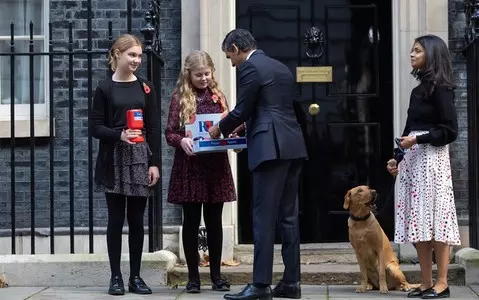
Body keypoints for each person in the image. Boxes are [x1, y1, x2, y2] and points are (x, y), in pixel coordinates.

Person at [209, 29, 308, 300]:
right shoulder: (280, 67)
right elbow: (271, 108)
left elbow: (243, 109)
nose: (231, 62)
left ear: (239, 47)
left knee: (263, 218)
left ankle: (261, 285)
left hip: (269, 149)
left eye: (230, 56)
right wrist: (245, 127)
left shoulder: (250, 67)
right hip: (293, 145)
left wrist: (221, 128)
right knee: (288, 218)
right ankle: (291, 282)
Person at [387, 34, 460, 299]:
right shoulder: (418, 91)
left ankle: (442, 283)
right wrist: (397, 157)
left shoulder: (442, 88)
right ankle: (426, 282)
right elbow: (408, 129)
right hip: (414, 163)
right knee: (419, 224)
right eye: (412, 50)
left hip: (433, 162)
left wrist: (418, 139)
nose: (411, 54)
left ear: (431, 54)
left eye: (417, 50)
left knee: (437, 221)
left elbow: (450, 131)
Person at [91, 34, 160, 296]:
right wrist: (119, 134)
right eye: (132, 54)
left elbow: (152, 127)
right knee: (116, 220)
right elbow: (95, 127)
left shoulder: (146, 87)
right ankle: (116, 278)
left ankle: (136, 277)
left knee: (137, 220)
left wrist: (154, 163)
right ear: (117, 54)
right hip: (114, 158)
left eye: (139, 56)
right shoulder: (104, 89)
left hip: (140, 158)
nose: (137, 60)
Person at [165, 50, 239, 294]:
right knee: (191, 222)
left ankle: (217, 276)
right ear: (189, 74)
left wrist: (235, 138)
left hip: (215, 165)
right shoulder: (180, 98)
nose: (204, 78)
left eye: (207, 73)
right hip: (190, 166)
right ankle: (193, 278)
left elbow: (229, 127)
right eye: (199, 75)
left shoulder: (218, 96)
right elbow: (170, 133)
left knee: (215, 222)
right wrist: (181, 142)